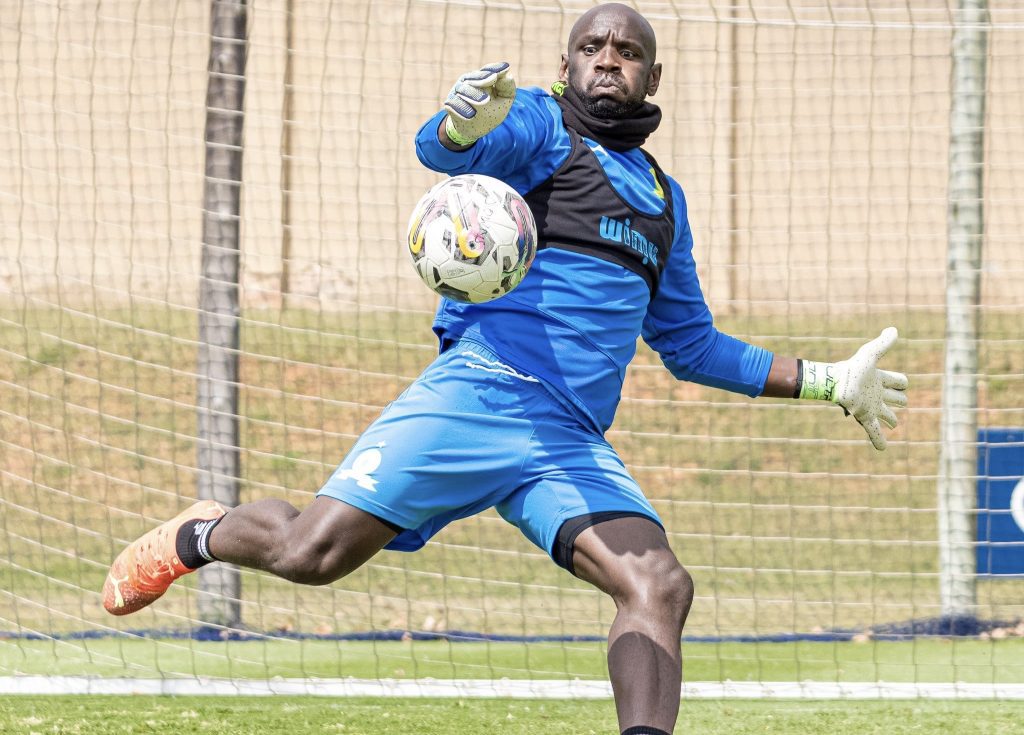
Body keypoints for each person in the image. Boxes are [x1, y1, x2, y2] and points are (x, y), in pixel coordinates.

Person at [102, 4, 908, 733]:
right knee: (312, 555)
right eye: (590, 46)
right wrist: (459, 129)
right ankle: (197, 534)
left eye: (626, 50)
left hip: (567, 440)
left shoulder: (665, 200)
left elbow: (692, 345)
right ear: (566, 66)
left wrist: (829, 379)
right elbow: (443, 149)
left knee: (658, 583)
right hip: (479, 393)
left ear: (652, 75)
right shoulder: (541, 125)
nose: (607, 58)